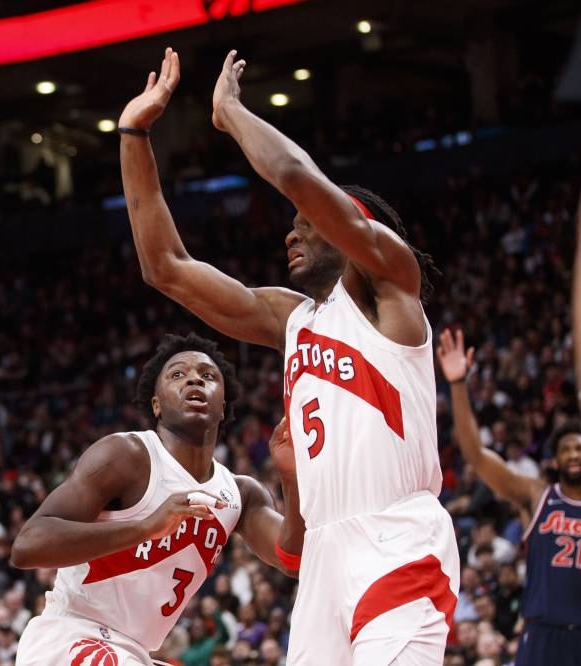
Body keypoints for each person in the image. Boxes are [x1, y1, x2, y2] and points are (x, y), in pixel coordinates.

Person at [117, 47, 458, 664]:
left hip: (397, 538)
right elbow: (165, 268)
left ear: (355, 229)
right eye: (292, 223)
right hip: (326, 556)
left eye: (307, 224)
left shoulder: (392, 291)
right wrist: (135, 134)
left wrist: (231, 112)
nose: (290, 232)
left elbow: (299, 176)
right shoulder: (293, 318)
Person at [11, 333, 304, 665]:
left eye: (208, 376)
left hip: (135, 651)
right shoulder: (126, 456)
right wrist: (146, 527)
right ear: (156, 404)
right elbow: (27, 545)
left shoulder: (241, 494)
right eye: (177, 374)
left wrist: (292, 479)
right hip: (73, 635)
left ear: (223, 405)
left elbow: (292, 560)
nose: (194, 377)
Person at [437, 328, 581, 665]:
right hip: (543, 632)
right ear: (556, 460)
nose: (574, 454)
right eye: (566, 450)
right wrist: (458, 385)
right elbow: (476, 455)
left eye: (579, 448)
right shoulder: (538, 496)